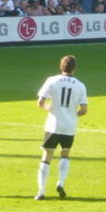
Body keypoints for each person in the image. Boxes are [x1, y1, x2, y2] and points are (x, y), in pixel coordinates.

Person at [35, 55, 88, 200]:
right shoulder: (80, 85)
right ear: (74, 69)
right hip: (69, 126)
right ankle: (61, 182)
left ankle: (41, 192)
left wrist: (48, 108)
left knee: (46, 157)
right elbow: (84, 110)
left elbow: (40, 102)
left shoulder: (52, 81)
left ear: (61, 66)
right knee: (65, 153)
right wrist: (72, 114)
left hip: (53, 125)